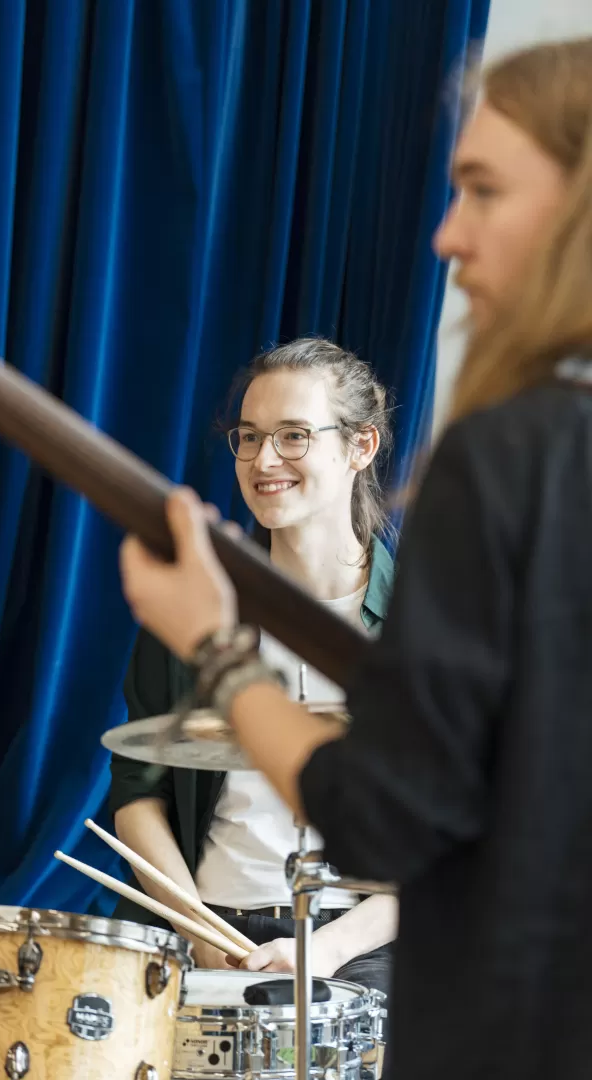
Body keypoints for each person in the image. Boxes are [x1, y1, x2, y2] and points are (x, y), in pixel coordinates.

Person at [119, 37, 592, 1080]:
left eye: (482, 188)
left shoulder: (519, 453)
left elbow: (393, 820)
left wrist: (215, 648)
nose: (445, 234)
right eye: (249, 437)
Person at [110, 338, 398, 997]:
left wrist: (323, 949)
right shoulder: (195, 606)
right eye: (248, 436)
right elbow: (136, 794)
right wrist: (200, 930)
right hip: (198, 923)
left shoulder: (429, 621)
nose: (263, 460)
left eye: (293, 435)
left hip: (356, 941)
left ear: (361, 447)